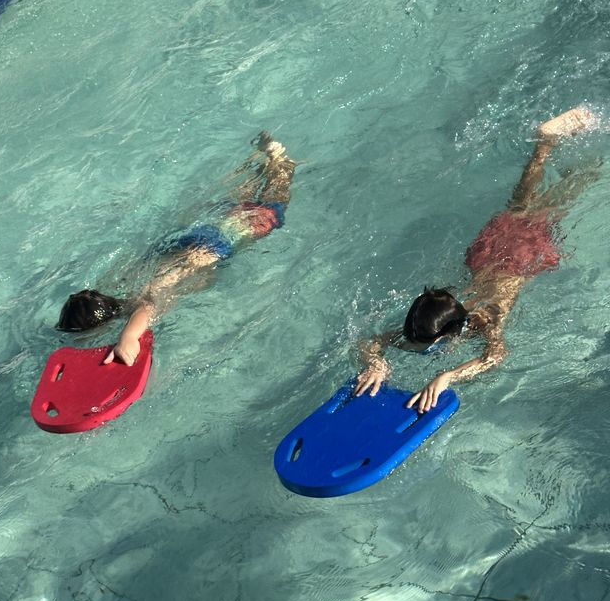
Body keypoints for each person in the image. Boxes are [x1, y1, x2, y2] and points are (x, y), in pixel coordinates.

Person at [355, 107, 595, 412]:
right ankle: (544, 146)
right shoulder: (425, 325)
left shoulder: (482, 319)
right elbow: (370, 342)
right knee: (521, 204)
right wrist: (376, 364)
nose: (413, 346)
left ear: (449, 333)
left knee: (560, 201)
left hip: (518, 257)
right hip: (487, 256)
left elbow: (496, 355)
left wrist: (448, 376)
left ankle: (583, 161)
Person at [56, 133, 296, 365]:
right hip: (187, 240)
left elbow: (146, 307)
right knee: (235, 205)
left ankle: (279, 160)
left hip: (212, 246)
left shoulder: (135, 302)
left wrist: (128, 337)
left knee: (274, 206)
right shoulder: (118, 283)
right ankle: (259, 160)